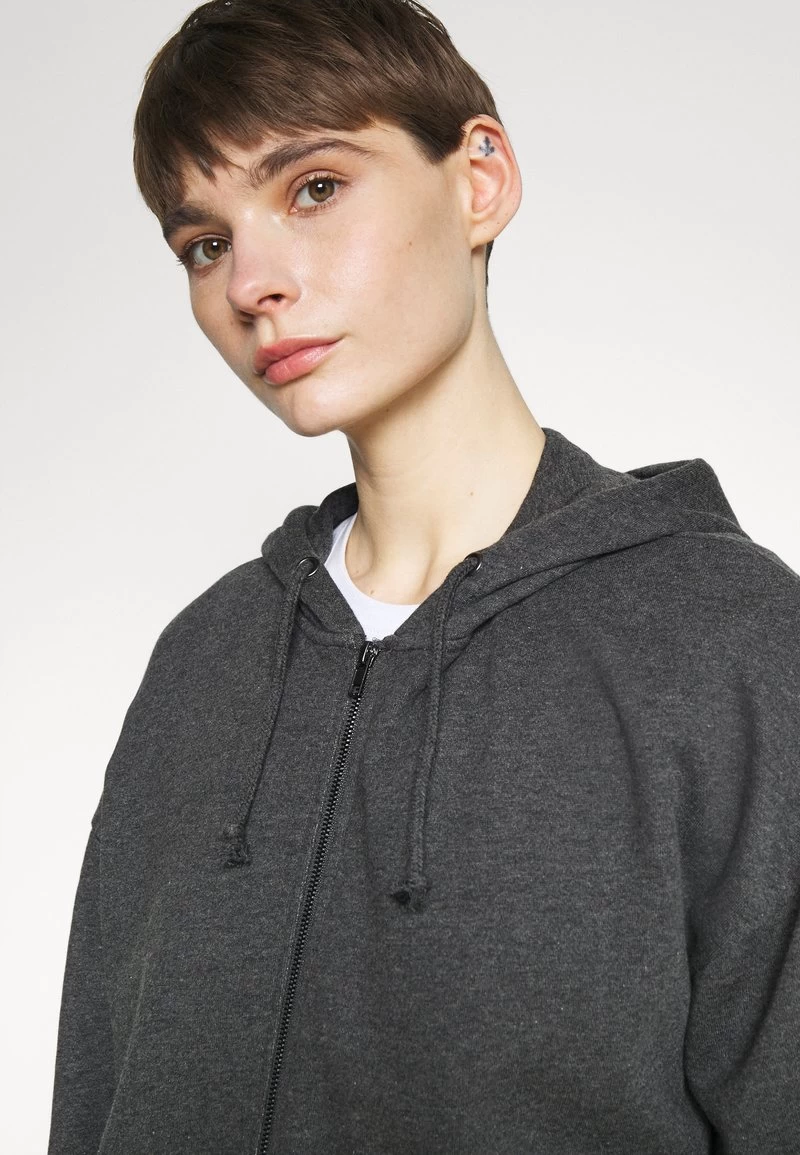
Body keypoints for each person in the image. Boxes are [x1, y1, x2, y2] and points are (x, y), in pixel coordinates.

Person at [47, 1, 800, 1152]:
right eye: (205, 244)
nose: (251, 283)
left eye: (313, 188)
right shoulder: (202, 660)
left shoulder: (733, 643)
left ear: (478, 180)